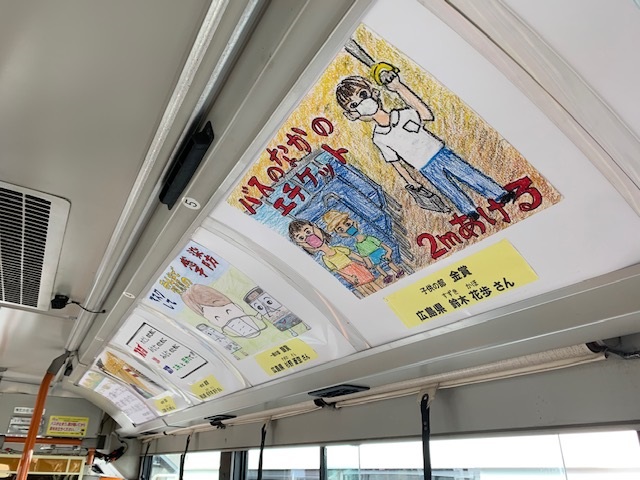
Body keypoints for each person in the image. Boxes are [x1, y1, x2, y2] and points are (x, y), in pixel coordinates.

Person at [335, 73, 514, 219]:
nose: (363, 103)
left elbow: (426, 115)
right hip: (423, 166)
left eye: (363, 95)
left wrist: (399, 88)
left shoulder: (403, 115)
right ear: (352, 114)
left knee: (467, 174)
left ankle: (498, 193)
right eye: (354, 105)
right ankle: (469, 210)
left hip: (440, 153)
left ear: (373, 92)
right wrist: (411, 182)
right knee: (447, 188)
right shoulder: (379, 138)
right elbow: (395, 162)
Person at [288, 219, 380, 295]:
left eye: (308, 232)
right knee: (363, 289)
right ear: (300, 244)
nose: (309, 238)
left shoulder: (337, 248)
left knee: (373, 283)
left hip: (357, 267)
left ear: (315, 227)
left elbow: (351, 254)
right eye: (301, 238)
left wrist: (366, 262)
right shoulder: (325, 258)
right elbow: (337, 270)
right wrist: (349, 277)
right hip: (349, 274)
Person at [322, 209, 404, 284]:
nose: (347, 229)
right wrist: (368, 264)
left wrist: (388, 253)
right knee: (378, 267)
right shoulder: (358, 245)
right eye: (341, 230)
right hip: (373, 257)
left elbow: (383, 245)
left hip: (380, 252)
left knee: (389, 263)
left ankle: (398, 271)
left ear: (353, 222)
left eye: (347, 224)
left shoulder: (369, 238)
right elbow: (364, 255)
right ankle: (387, 276)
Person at [182, 284, 267, 338]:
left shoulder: (262, 314)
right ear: (212, 323)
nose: (229, 319)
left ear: (238, 307)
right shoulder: (226, 335)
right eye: (217, 318)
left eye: (228, 311)